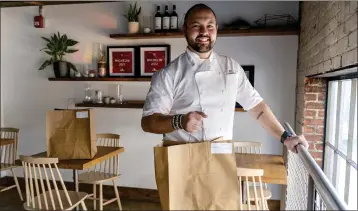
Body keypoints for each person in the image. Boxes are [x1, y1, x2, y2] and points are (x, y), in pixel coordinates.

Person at [141, 3, 308, 153]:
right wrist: (179, 121)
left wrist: (286, 138)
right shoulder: (168, 74)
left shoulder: (231, 68)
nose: (204, 32)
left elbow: (257, 107)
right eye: (196, 25)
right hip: (182, 157)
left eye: (209, 26)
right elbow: (148, 122)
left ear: (216, 29)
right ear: (184, 29)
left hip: (221, 155)